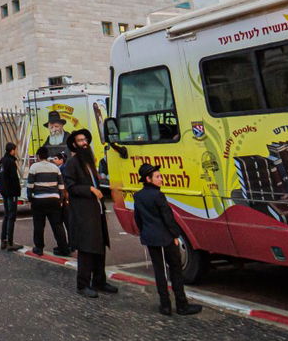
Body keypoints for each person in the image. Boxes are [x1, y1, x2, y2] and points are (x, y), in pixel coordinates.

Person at [134, 163, 203, 316]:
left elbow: (138, 218)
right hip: (165, 238)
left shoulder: (138, 196)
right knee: (175, 270)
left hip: (150, 238)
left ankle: (165, 305)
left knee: (159, 271)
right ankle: (181, 305)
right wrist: (174, 235)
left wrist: (144, 232)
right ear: (148, 179)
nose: (161, 179)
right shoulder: (158, 195)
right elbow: (168, 217)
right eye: (158, 177)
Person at [62, 130, 117, 299]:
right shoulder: (72, 163)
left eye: (85, 139)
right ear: (74, 144)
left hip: (96, 212)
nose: (84, 142)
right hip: (83, 214)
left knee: (99, 247)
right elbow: (71, 187)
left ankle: (99, 281)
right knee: (86, 250)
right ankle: (83, 284)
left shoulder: (89, 163)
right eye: (80, 140)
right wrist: (90, 189)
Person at [28, 147, 71, 257]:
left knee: (38, 225)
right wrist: (60, 199)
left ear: (38, 156)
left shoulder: (34, 167)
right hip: (54, 200)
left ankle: (39, 248)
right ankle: (63, 248)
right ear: (47, 156)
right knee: (57, 225)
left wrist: (31, 199)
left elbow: (30, 186)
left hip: (39, 200)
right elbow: (61, 186)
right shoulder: (55, 168)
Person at [0, 142, 22, 251]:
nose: (16, 152)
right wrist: (18, 191)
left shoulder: (2, 161)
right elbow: (14, 178)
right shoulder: (11, 162)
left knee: (6, 215)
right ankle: (10, 242)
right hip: (11, 192)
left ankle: (3, 240)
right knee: (12, 216)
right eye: (15, 150)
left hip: (4, 191)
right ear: (12, 150)